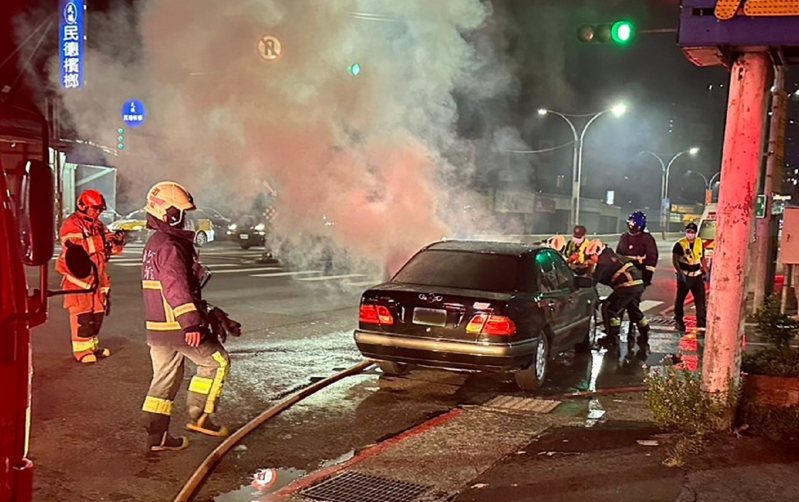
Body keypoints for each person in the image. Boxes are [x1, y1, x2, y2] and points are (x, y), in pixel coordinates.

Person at [140, 181, 233, 453]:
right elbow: (175, 286)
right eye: (181, 212)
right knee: (217, 362)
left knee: (164, 380)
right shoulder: (170, 245)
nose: (185, 218)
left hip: (157, 328)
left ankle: (156, 438)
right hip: (177, 327)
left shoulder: (155, 243)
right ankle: (201, 415)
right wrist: (191, 322)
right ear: (169, 213)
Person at [55, 189, 125, 363]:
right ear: (83, 206)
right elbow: (76, 248)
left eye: (100, 209)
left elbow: (110, 250)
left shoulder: (98, 225)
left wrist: (116, 242)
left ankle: (92, 348)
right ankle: (82, 352)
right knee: (82, 316)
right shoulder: (71, 224)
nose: (98, 212)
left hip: (97, 279)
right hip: (79, 280)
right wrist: (102, 239)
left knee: (97, 315)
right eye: (95, 208)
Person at [588, 240, 650, 348]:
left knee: (609, 308)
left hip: (627, 286)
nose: (590, 258)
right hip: (637, 285)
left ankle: (612, 337)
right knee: (634, 310)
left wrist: (583, 274)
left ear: (597, 252)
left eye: (591, 256)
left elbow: (593, 281)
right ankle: (644, 334)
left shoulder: (603, 261)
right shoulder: (610, 255)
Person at [616, 211, 658, 337]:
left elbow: (651, 259)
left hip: (638, 276)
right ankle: (616, 329)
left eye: (633, 223)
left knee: (633, 302)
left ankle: (640, 328)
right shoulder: (624, 237)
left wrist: (646, 277)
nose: (630, 225)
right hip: (624, 276)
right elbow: (618, 255)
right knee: (621, 303)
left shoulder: (647, 239)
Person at [673, 222, 707, 333]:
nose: (690, 234)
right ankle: (679, 321)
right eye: (688, 232)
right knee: (680, 300)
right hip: (685, 276)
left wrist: (705, 271)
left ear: (696, 233)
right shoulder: (680, 244)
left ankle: (701, 324)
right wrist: (679, 273)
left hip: (697, 276)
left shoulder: (699, 242)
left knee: (700, 301)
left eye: (692, 232)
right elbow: (675, 260)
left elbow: (702, 258)